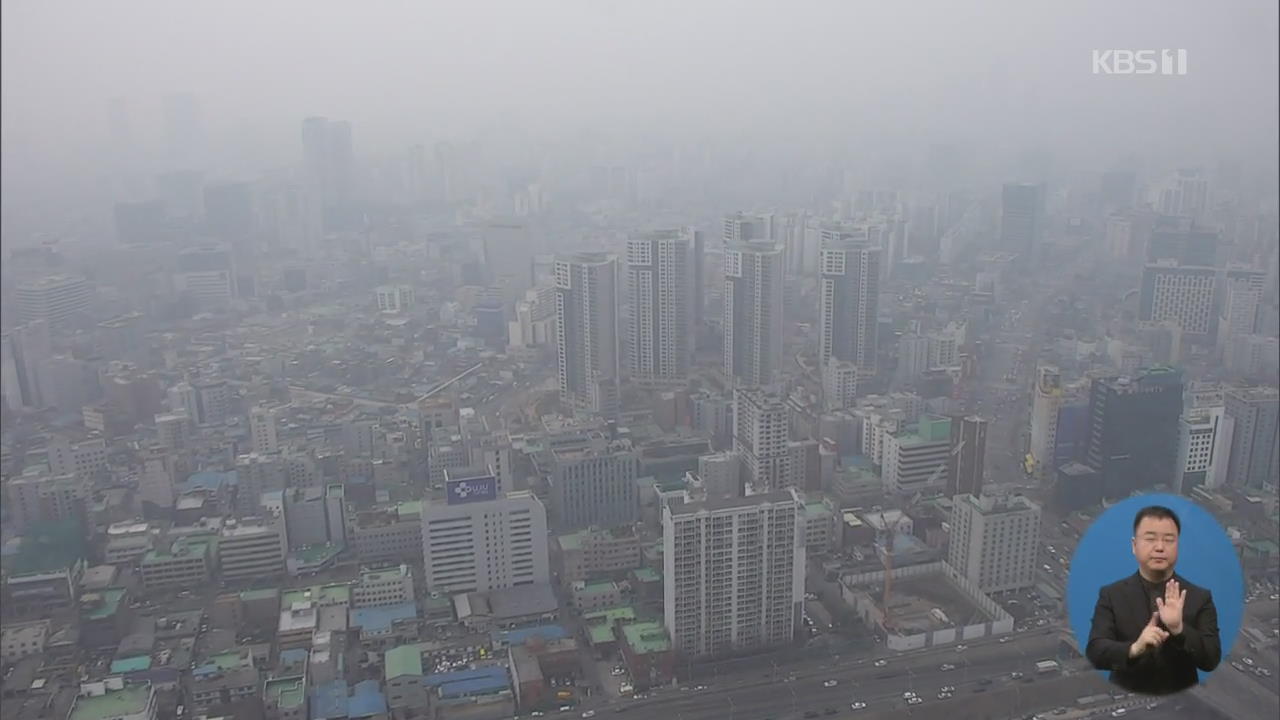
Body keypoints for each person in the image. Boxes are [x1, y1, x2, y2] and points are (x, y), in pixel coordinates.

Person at [1085, 505, 1222, 695]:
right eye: (1150, 539)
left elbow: (1211, 659)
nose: (1159, 547)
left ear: (1178, 546)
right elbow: (1095, 651)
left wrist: (1179, 629)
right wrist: (1134, 648)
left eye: (1168, 540)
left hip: (1181, 704)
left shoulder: (1200, 597)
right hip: (1124, 701)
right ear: (1134, 545)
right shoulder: (1112, 595)